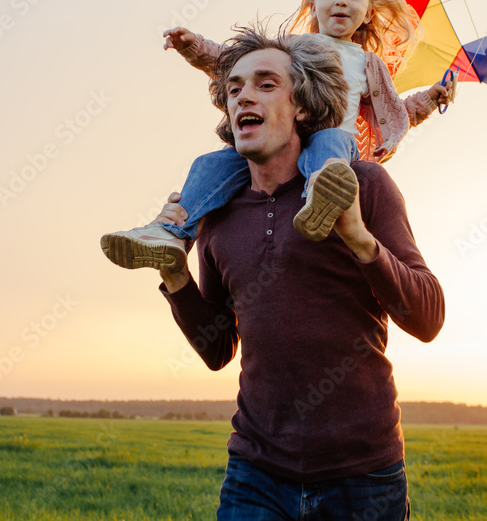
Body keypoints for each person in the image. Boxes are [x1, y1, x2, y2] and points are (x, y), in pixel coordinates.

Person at [152, 26, 444, 519]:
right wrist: (175, 275)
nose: (244, 94)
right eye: (235, 87)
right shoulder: (219, 211)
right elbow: (219, 350)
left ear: (302, 107)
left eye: (266, 84)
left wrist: (358, 237)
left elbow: (428, 316)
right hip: (255, 473)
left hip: (364, 475)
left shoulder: (364, 184)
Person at [101, 0, 456, 274]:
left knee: (330, 139)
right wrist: (193, 46)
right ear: (313, 4)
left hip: (333, 145)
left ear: (368, 11)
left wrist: (428, 98)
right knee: (211, 163)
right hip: (280, 140)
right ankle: (171, 234)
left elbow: (392, 113)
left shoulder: (367, 64)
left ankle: (324, 195)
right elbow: (233, 61)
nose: (341, 2)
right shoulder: (291, 48)